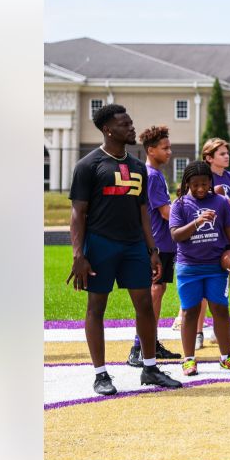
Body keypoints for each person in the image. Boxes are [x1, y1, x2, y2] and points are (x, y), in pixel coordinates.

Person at [67, 104, 182, 395]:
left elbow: (143, 211)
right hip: (101, 243)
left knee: (144, 305)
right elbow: (78, 213)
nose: (132, 128)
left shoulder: (137, 166)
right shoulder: (88, 165)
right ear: (108, 129)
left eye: (131, 122)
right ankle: (100, 374)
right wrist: (78, 255)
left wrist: (152, 249)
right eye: (125, 124)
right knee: (97, 307)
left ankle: (150, 367)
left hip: (134, 245)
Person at [169, 161, 230, 376]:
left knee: (220, 310)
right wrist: (197, 222)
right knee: (190, 311)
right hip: (189, 267)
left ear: (210, 182)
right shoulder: (180, 205)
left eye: (204, 184)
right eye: (195, 185)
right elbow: (176, 235)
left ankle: (225, 357)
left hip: (216, 266)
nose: (200, 189)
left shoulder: (221, 202)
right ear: (187, 183)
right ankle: (188, 359)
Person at [127, 125, 183, 367]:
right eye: (165, 148)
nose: (169, 152)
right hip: (158, 244)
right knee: (154, 293)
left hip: (162, 243)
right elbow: (165, 213)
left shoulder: (153, 174)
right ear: (151, 150)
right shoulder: (153, 175)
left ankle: (151, 343)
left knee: (157, 293)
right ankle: (140, 347)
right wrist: (194, 221)